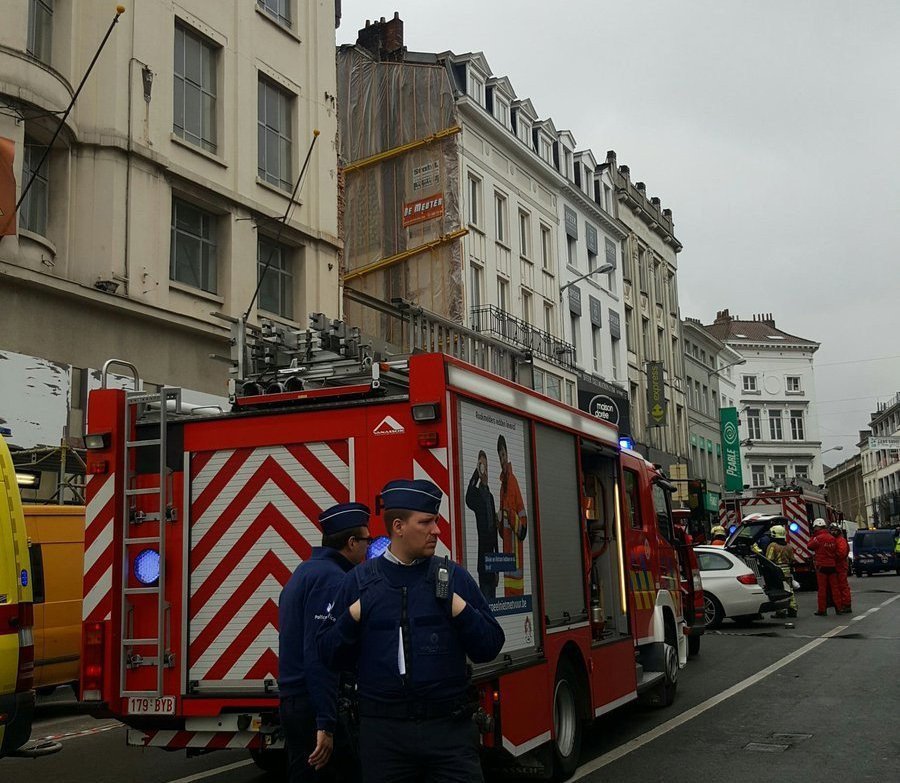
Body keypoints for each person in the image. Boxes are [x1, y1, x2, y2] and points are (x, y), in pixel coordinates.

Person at [318, 479, 505, 783]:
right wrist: (353, 615)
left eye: (435, 521)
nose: (436, 530)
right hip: (384, 737)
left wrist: (458, 608)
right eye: (426, 522)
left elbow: (489, 646)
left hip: (448, 732)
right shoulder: (360, 582)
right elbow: (327, 653)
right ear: (398, 527)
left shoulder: (452, 577)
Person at [278, 502, 372, 782]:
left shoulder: (304, 572)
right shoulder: (332, 579)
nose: (369, 547)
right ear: (352, 543)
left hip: (295, 700)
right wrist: (326, 723)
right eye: (366, 540)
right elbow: (320, 653)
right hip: (313, 702)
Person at [465, 450, 500, 599]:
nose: (485, 471)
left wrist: (498, 568)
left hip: (493, 561)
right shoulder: (476, 495)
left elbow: (494, 534)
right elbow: (468, 496)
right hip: (483, 560)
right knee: (485, 600)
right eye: (482, 467)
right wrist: (476, 473)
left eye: (486, 467)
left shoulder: (490, 496)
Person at [497, 435, 528, 595]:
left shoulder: (512, 482)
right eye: (500, 456)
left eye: (504, 455)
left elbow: (523, 526)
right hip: (507, 554)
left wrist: (508, 515)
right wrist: (499, 521)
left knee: (516, 594)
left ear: (507, 455)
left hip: (515, 553)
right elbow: (503, 529)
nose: (502, 459)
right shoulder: (503, 486)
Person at [809, 518, 841, 616]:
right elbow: (835, 549)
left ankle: (822, 610)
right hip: (832, 566)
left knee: (822, 589)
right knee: (835, 588)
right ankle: (839, 608)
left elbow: (809, 546)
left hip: (822, 566)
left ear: (817, 527)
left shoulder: (817, 538)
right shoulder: (832, 538)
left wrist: (814, 536)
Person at [764, 525, 797, 618]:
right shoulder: (789, 546)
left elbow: (769, 559)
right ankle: (793, 609)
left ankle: (781, 611)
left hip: (777, 572)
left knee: (779, 591)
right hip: (787, 572)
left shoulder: (772, 546)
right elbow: (792, 560)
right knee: (790, 590)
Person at [831, 523, 852, 614]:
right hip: (836, 567)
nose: (833, 532)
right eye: (832, 530)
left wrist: (832, 556)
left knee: (843, 586)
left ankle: (846, 605)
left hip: (840, 567)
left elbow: (841, 553)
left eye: (835, 530)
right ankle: (841, 604)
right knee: (838, 587)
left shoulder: (840, 541)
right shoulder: (835, 540)